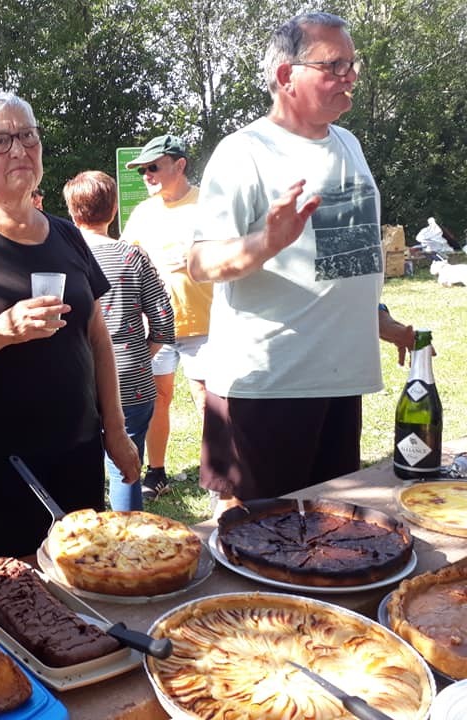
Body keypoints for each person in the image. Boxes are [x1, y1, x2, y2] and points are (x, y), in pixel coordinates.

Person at [186, 12, 414, 515]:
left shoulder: (348, 143)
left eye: (352, 64)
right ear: (287, 76)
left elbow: (345, 255)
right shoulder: (244, 152)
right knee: (253, 533)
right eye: (334, 65)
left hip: (338, 379)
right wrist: (267, 241)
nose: (350, 75)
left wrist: (380, 320)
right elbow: (200, 262)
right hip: (267, 384)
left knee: (326, 535)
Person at [0, 92, 140, 558]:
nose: (18, 149)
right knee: (22, 587)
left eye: (27, 136)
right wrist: (4, 328)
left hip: (77, 442)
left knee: (85, 566)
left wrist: (114, 429)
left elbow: (97, 337)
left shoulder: (66, 233)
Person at [63, 171, 174, 509]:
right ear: (113, 210)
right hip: (132, 382)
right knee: (125, 468)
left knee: (76, 472)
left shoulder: (61, 258)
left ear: (71, 210)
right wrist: (141, 354)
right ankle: (129, 549)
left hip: (75, 383)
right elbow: (164, 321)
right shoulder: (132, 257)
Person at [121, 134, 212, 497]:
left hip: (205, 322)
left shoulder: (208, 203)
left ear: (179, 164)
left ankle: (218, 473)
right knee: (158, 396)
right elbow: (127, 260)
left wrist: (196, 261)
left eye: (154, 167)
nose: (147, 175)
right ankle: (156, 473)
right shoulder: (144, 212)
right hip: (157, 326)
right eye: (143, 170)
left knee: (209, 400)